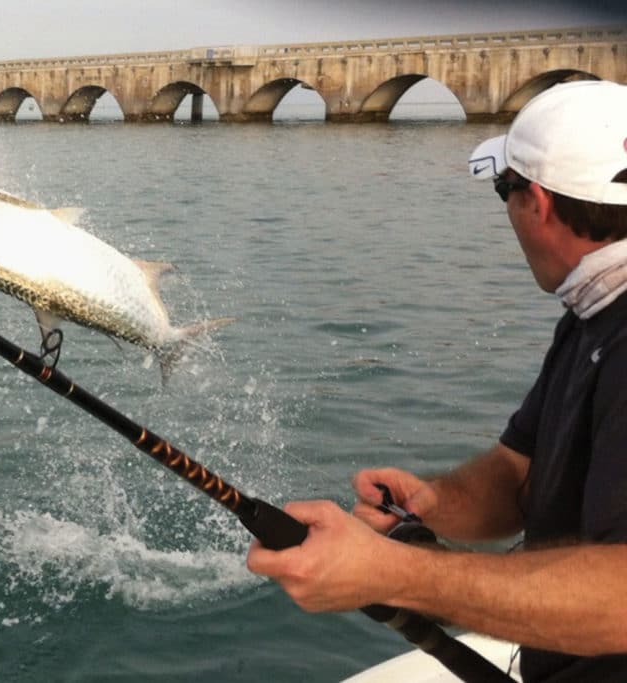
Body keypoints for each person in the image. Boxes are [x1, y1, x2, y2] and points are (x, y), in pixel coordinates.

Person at [246, 80, 627, 683]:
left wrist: (392, 575)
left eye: (504, 190)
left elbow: (618, 603)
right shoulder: (593, 315)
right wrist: (429, 504)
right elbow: (522, 474)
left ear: (540, 204)